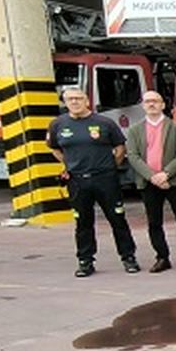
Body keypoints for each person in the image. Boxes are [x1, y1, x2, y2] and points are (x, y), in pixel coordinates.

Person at [47, 85, 140, 277]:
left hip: (105, 179)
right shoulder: (58, 124)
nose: (74, 102)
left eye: (78, 98)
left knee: (117, 219)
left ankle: (128, 257)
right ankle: (85, 261)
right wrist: (70, 164)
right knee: (83, 223)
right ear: (65, 102)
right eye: (70, 99)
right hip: (78, 181)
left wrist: (110, 166)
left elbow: (120, 147)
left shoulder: (104, 123)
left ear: (87, 101)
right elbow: (54, 148)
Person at [124, 89, 176, 273]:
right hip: (149, 182)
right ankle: (162, 257)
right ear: (143, 105)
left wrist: (165, 174)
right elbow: (132, 156)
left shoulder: (175, 127)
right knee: (154, 222)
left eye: (155, 101)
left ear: (163, 105)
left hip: (174, 181)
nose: (151, 104)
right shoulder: (134, 130)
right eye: (148, 101)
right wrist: (152, 176)